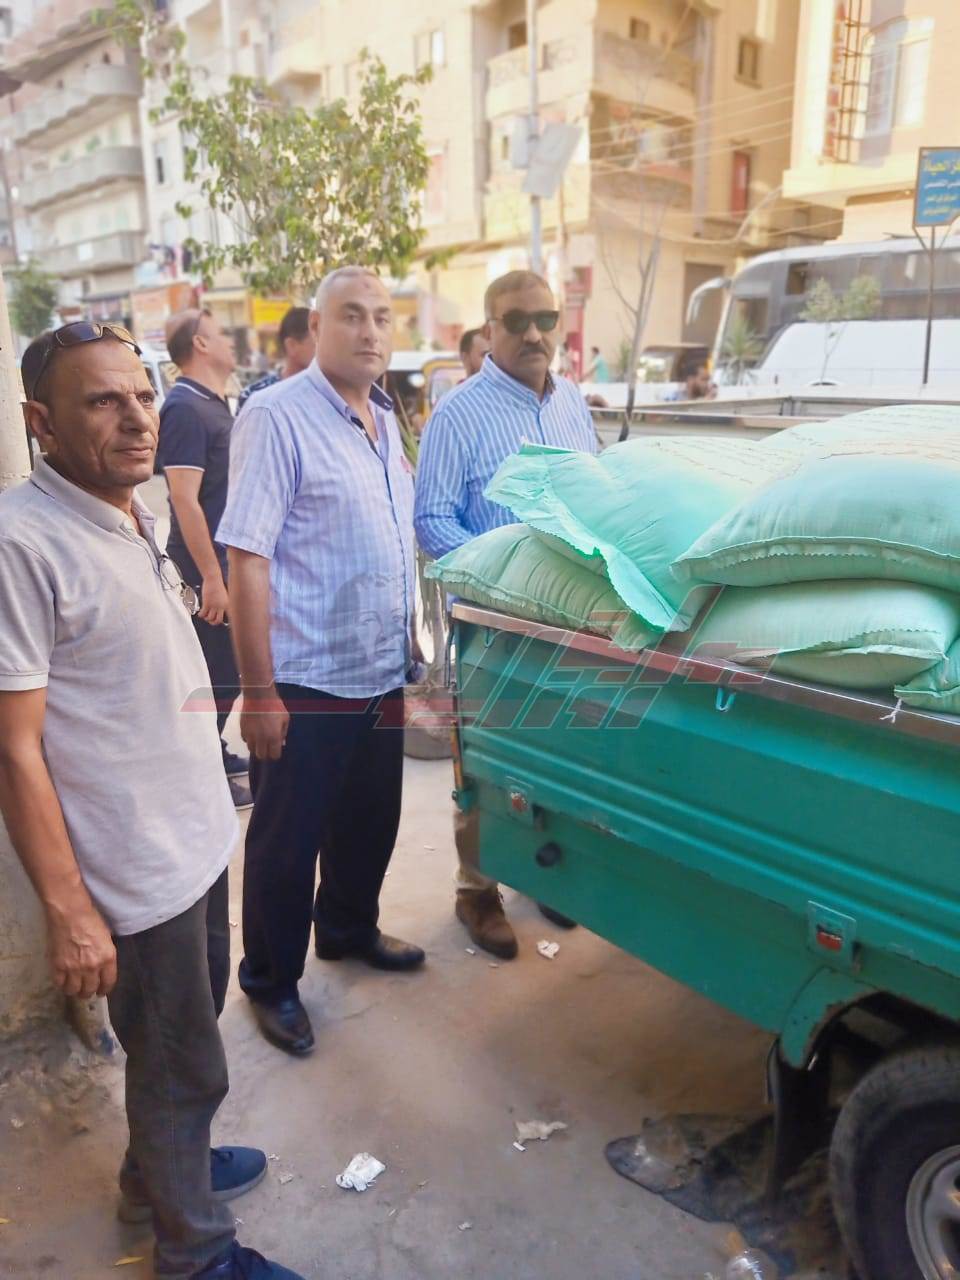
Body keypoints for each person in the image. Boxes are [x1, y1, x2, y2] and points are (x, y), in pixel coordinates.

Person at [0, 322, 301, 1280]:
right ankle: (196, 1253)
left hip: (194, 839)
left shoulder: (130, 514)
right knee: (180, 1063)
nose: (138, 420)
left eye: (142, 396)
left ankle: (156, 1177)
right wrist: (69, 912)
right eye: (103, 401)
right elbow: (13, 749)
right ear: (41, 422)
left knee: (187, 1036)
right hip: (133, 866)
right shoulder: (20, 544)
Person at [218, 267, 425, 1058]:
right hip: (304, 678)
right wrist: (259, 691)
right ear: (315, 326)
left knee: (371, 820)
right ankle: (270, 980)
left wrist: (407, 639)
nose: (371, 331)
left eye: (382, 317)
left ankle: (345, 928)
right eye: (351, 315)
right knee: (286, 841)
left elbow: (389, 536)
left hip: (377, 667)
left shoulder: (383, 417)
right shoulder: (276, 416)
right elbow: (248, 557)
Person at [414, 270, 598, 960]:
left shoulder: (571, 402)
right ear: (489, 330)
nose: (533, 334)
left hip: (570, 624)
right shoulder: (458, 415)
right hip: (492, 630)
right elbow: (432, 519)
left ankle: (543, 871)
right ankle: (477, 890)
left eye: (544, 319)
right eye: (516, 321)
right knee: (487, 765)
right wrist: (504, 581)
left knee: (558, 754)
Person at [158, 309, 251, 810]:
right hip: (203, 568)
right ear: (199, 343)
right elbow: (183, 498)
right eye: (221, 334)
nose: (230, 341)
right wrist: (212, 577)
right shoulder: (184, 408)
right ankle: (202, 774)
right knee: (216, 675)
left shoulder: (213, 403)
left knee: (228, 673)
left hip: (225, 561)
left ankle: (212, 753)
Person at [238, 306, 315, 409]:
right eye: (317, 343)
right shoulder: (253, 397)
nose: (325, 350)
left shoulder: (330, 394)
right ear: (291, 346)